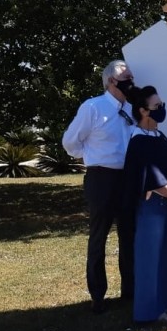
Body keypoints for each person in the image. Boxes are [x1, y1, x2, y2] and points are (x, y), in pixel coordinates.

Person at [63, 60, 136, 314]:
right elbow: (70, 142)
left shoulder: (132, 109)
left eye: (131, 76)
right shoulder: (93, 107)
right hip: (101, 178)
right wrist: (92, 156)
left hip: (127, 179)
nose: (130, 81)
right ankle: (97, 294)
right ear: (110, 82)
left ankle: (130, 291)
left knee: (129, 236)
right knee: (99, 237)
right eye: (125, 77)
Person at [122, 85, 167, 323]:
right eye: (157, 106)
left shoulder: (160, 137)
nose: (162, 110)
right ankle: (147, 312)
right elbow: (150, 176)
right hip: (150, 208)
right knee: (149, 258)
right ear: (143, 111)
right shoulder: (137, 140)